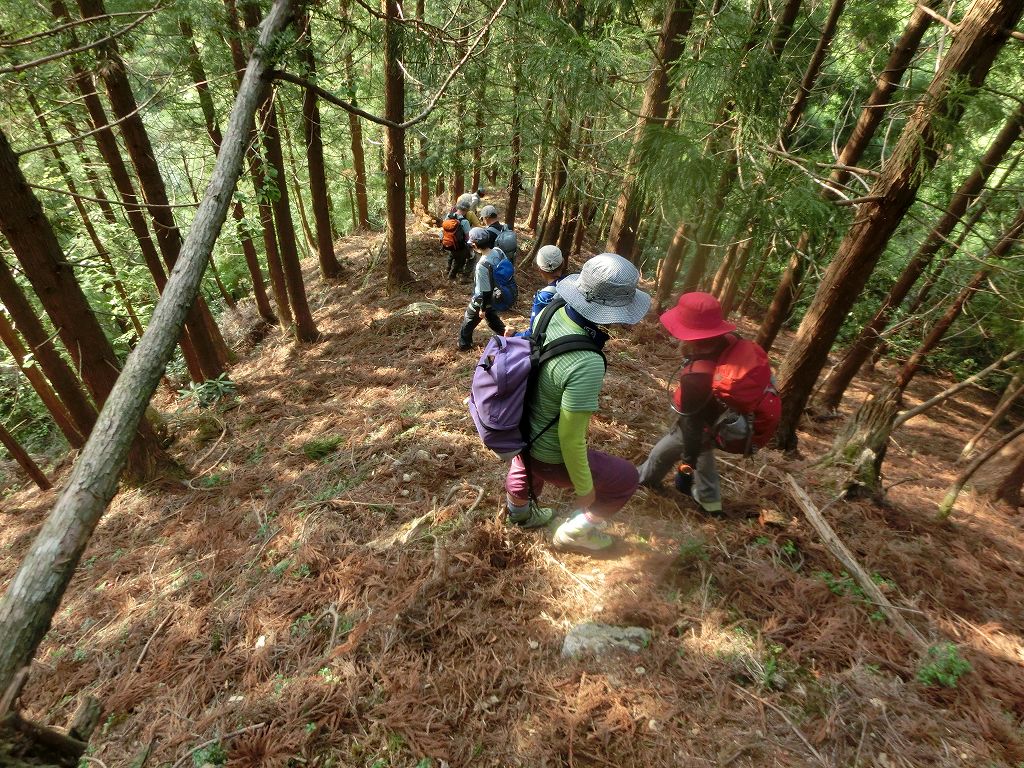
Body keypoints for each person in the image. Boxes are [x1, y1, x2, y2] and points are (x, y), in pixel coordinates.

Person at [504, 253, 651, 553]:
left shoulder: (554, 308)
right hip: (548, 452)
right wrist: (585, 492)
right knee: (625, 479)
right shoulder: (586, 362)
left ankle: (518, 513)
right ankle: (577, 532)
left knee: (524, 462)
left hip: (519, 429)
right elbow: (570, 439)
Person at [636, 292, 738, 515]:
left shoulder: (695, 378)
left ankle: (643, 479)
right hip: (714, 418)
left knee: (675, 451)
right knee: (694, 451)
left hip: (697, 424)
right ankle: (710, 503)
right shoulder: (728, 342)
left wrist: (686, 464)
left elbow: (691, 427)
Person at [458, 227, 507, 351]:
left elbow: (484, 291)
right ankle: (509, 337)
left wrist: (482, 308)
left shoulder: (482, 265)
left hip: (483, 299)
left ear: (474, 245)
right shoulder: (498, 251)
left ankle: (464, 344)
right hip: (498, 294)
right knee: (493, 320)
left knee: (469, 318)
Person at [515, 245, 566, 339]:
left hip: (551, 344)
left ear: (540, 269)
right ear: (562, 263)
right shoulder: (572, 284)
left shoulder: (543, 297)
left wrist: (515, 335)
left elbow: (534, 333)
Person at [440, 198, 472, 282]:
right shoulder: (465, 221)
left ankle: (447, 268)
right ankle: (452, 275)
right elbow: (467, 237)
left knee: (452, 253)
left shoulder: (448, 216)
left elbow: (443, 229)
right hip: (458, 245)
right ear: (466, 210)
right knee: (460, 258)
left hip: (447, 243)